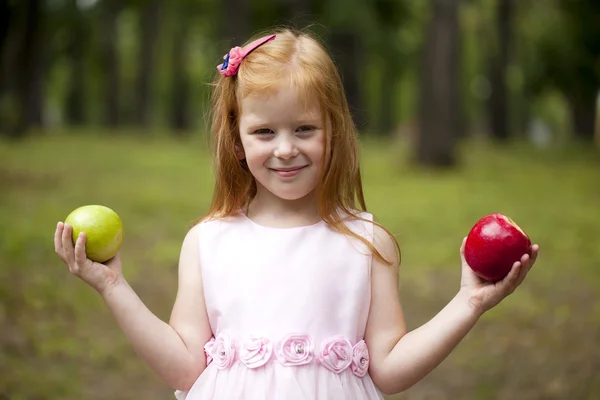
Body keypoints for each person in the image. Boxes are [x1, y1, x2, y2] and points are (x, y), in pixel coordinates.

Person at [53, 28, 540, 399]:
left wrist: (468, 303)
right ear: (238, 141)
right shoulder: (208, 241)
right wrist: (113, 286)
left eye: (305, 128)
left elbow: (389, 369)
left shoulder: (367, 242)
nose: (286, 149)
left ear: (335, 131)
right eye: (265, 132)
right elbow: (185, 368)